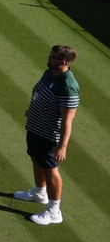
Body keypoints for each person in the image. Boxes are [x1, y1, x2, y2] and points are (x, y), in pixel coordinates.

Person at [14, 45, 80, 226]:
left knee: (50, 169)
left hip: (49, 135)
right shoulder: (49, 73)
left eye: (53, 57)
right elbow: (40, 93)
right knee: (36, 158)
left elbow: (68, 119)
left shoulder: (68, 87)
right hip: (36, 128)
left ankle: (54, 211)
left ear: (63, 62)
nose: (49, 58)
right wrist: (32, 109)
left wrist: (62, 146)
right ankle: (39, 192)